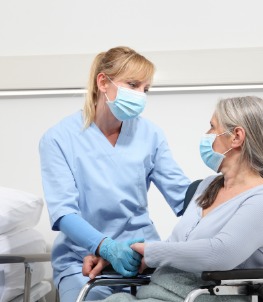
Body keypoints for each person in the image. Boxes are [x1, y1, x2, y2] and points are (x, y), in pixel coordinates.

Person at [83, 96, 263, 302]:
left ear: (236, 136)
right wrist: (126, 257)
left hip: (204, 296)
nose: (207, 135)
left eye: (212, 127)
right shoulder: (207, 186)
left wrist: (151, 250)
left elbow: (220, 253)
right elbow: (176, 245)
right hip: (157, 293)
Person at [39, 46, 191, 302]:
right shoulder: (58, 138)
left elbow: (184, 198)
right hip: (83, 262)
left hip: (140, 259)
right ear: (103, 82)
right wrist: (105, 248)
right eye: (133, 84)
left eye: (146, 89)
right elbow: (64, 213)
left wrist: (229, 192)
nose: (140, 95)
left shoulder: (150, 135)